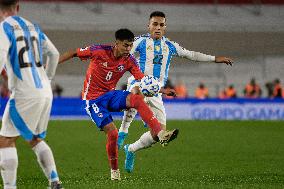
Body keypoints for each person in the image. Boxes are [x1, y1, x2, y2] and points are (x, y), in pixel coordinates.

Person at [117, 11, 233, 173]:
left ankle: (130, 149)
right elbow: (124, 51)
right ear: (148, 26)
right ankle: (122, 132)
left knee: (159, 134)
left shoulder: (170, 46)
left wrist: (214, 59)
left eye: (161, 25)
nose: (158, 27)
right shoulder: (140, 41)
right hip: (138, 83)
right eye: (155, 24)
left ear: (165, 27)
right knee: (135, 96)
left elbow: (191, 54)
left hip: (157, 92)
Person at [58, 28, 179, 181]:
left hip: (110, 95)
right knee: (113, 134)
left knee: (136, 98)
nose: (129, 49)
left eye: (130, 45)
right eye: (126, 45)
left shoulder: (128, 60)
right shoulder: (98, 51)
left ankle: (160, 133)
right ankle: (114, 171)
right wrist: (52, 65)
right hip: (92, 99)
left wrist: (162, 90)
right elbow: (73, 53)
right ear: (117, 44)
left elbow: (143, 80)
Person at [0, 0, 63, 189]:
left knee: (5, 140)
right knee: (35, 139)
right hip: (45, 91)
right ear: (17, 7)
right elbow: (54, 54)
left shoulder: (4, 28)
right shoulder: (33, 27)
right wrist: (48, 79)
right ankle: (54, 182)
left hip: (24, 93)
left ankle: (10, 187)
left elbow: (1, 56)